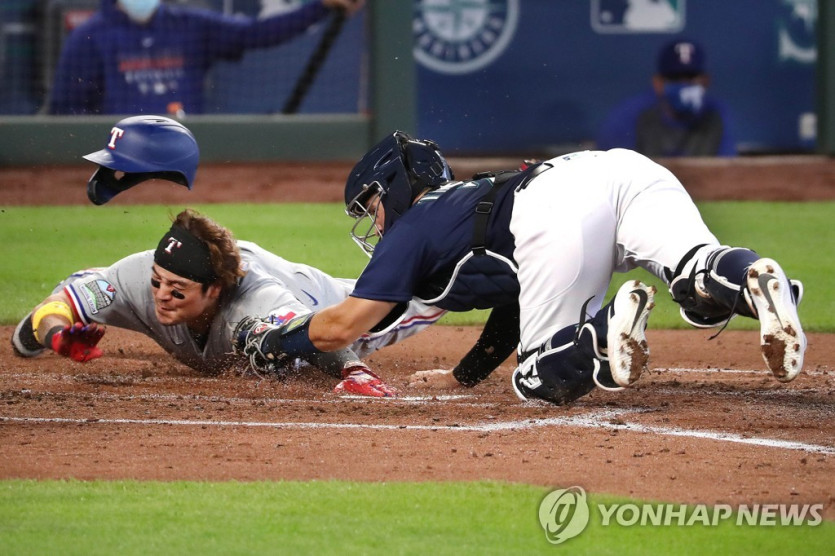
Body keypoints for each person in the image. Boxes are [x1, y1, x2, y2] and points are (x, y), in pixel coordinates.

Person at [232, 131, 806, 406]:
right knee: (697, 280)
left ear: (397, 189)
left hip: (554, 207)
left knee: (538, 381)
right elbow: (512, 300)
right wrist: (464, 377)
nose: (376, 223)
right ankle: (757, 281)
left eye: (373, 205)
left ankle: (603, 335)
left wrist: (279, 342)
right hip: (617, 168)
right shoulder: (461, 205)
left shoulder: (413, 228)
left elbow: (344, 326)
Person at [11, 118, 445, 398]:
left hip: (341, 307)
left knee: (439, 284)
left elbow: (325, 335)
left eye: (177, 290)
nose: (161, 295)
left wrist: (354, 371)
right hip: (289, 295)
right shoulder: (139, 279)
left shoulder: (253, 302)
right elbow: (59, 303)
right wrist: (52, 336)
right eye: (158, 282)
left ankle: (469, 223)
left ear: (214, 290)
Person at [48, 0, 363, 115]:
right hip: (123, 159)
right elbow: (68, 109)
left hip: (183, 151)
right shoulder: (89, 37)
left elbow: (256, 33)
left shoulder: (189, 26)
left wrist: (320, 6)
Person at [596, 38, 737, 157]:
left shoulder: (717, 115)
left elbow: (726, 173)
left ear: (705, 81)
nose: (683, 85)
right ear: (658, 83)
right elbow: (612, 175)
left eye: (690, 77)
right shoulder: (630, 116)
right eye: (674, 78)